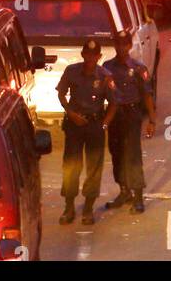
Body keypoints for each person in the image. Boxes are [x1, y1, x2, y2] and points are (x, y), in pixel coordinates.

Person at [56, 38, 118, 226]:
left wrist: (104, 125)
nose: (91, 58)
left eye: (94, 55)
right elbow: (61, 93)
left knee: (94, 167)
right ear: (83, 54)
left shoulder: (105, 76)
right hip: (74, 124)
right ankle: (69, 206)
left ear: (99, 57)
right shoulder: (71, 71)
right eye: (87, 54)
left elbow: (113, 103)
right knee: (71, 165)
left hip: (94, 125)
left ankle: (89, 207)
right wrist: (70, 112)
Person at [103, 30, 156, 214]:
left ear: (130, 45)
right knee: (116, 152)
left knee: (133, 154)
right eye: (118, 44)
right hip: (114, 114)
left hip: (132, 113)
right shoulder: (107, 67)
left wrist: (152, 120)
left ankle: (138, 196)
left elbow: (147, 95)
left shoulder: (139, 68)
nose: (121, 48)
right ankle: (124, 191)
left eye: (124, 44)